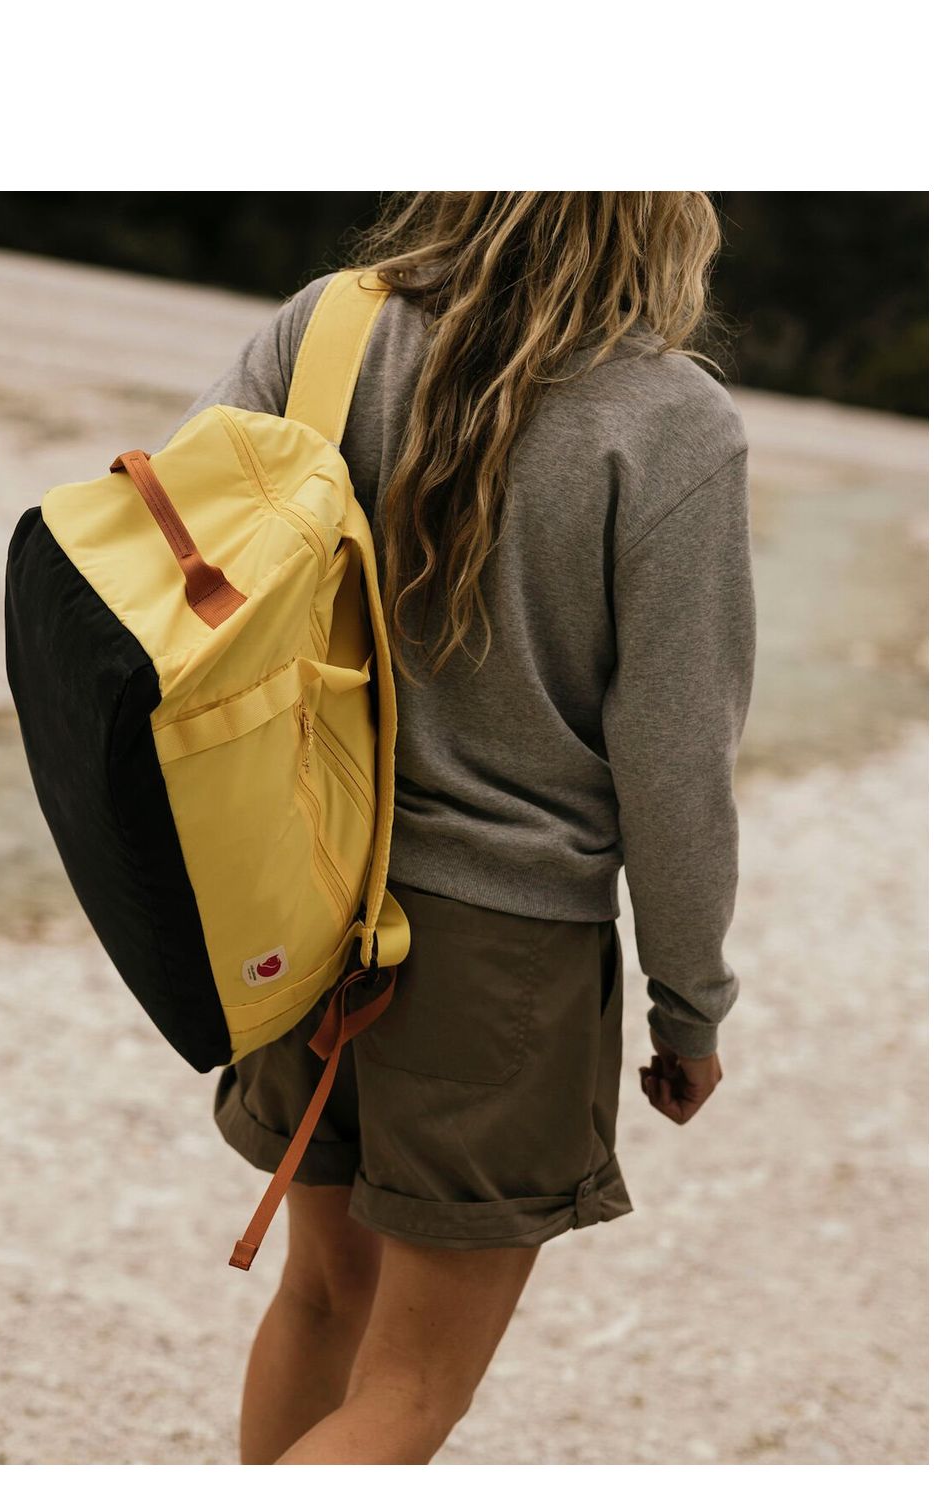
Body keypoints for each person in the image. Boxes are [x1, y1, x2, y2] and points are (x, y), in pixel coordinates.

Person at [170, 192, 754, 1465]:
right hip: (501, 960)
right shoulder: (671, 422)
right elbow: (674, 764)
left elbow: (181, 568)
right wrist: (689, 1006)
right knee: (410, 1392)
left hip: (301, 896)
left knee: (321, 1300)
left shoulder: (331, 326)